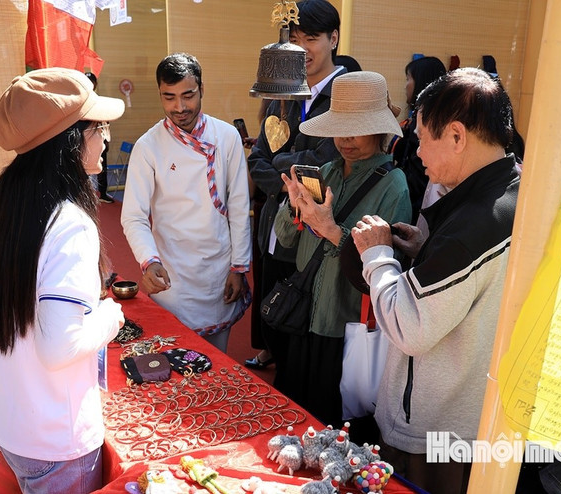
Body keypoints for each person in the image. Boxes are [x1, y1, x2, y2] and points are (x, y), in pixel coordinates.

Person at [351, 67, 521, 494]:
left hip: (436, 433)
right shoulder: (514, 189)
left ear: (458, 136)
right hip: (476, 420)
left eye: (424, 137)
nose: (419, 152)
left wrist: (377, 254)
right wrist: (421, 250)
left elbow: (410, 326)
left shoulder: (475, 224)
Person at [0, 67, 126, 494]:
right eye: (99, 127)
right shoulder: (70, 221)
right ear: (71, 141)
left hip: (10, 421)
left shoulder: (7, 203)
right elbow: (60, 346)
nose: (106, 137)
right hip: (53, 437)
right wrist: (110, 317)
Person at [273, 71, 411, 431]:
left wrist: (332, 230)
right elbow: (286, 240)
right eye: (340, 127)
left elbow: (389, 269)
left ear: (380, 130)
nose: (346, 138)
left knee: (331, 426)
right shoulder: (326, 172)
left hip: (345, 324)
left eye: (358, 127)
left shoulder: (394, 185)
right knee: (290, 415)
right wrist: (293, 208)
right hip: (304, 317)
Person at [120, 53, 252, 353]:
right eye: (169, 98)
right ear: (160, 96)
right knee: (175, 357)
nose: (179, 107)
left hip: (218, 267)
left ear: (202, 89)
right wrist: (149, 260)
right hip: (173, 272)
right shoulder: (147, 146)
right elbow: (134, 217)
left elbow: (240, 206)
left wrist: (239, 267)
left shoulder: (227, 136)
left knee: (219, 359)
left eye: (188, 95)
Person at [246, 0, 350, 371]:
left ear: (333, 38)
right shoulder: (285, 89)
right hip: (272, 221)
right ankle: (272, 357)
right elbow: (257, 158)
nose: (302, 48)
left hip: (307, 229)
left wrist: (279, 165)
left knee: (297, 312)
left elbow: (322, 165)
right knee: (270, 298)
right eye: (295, 38)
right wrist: (285, 175)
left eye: (311, 38)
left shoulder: (343, 95)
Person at [388, 56, 446, 222]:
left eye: (408, 79)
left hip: (415, 208)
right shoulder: (415, 119)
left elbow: (416, 178)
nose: (405, 86)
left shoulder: (424, 123)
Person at [85, 72, 116, 203]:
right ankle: (86, 194)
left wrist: (106, 139)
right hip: (85, 138)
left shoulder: (98, 100)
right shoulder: (80, 100)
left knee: (102, 166)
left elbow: (105, 120)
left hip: (99, 136)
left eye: (92, 82)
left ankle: (102, 193)